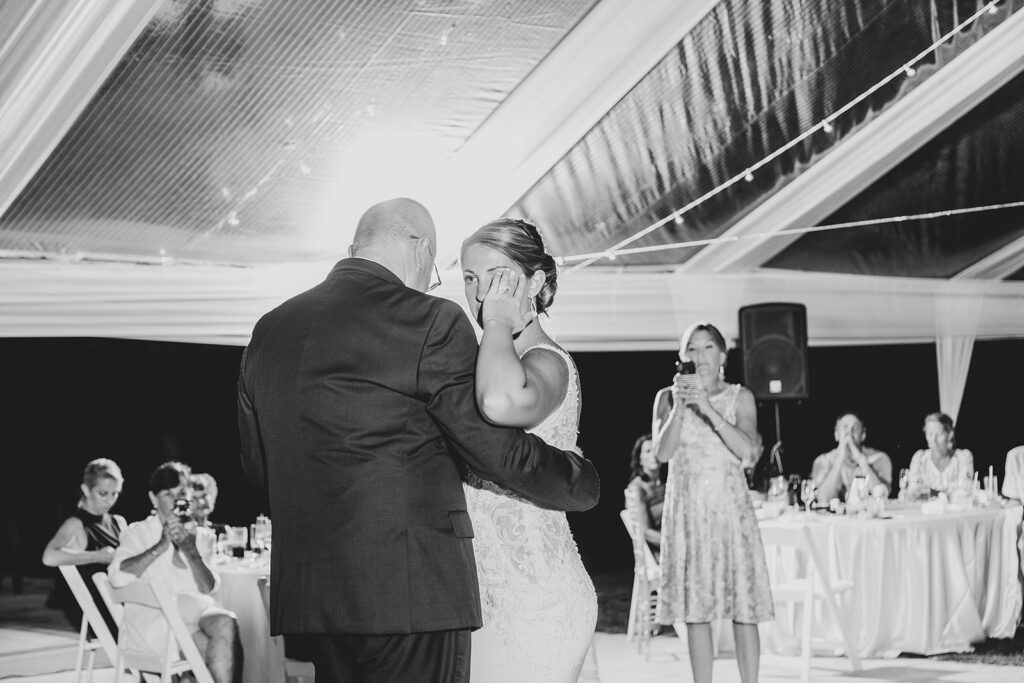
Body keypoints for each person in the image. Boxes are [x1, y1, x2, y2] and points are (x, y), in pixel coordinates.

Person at [237, 198, 599, 683]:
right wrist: (581, 479)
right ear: (423, 249)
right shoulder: (426, 320)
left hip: (315, 597)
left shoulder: (268, 330)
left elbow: (260, 466)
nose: (470, 292)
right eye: (460, 277)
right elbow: (494, 450)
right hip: (414, 592)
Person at [459, 217, 597, 682]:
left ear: (536, 282)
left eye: (499, 278)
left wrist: (497, 320)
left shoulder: (546, 362)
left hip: (538, 604)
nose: (482, 295)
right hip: (486, 602)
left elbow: (501, 401)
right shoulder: (487, 365)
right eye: (471, 279)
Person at [653, 322, 773, 683]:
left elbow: (747, 451)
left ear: (722, 355)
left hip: (729, 510)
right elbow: (662, 453)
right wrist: (680, 407)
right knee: (696, 611)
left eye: (708, 347)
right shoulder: (666, 397)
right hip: (687, 512)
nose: (700, 355)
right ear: (681, 355)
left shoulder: (741, 397)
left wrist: (707, 407)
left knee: (744, 607)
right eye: (692, 348)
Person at [108, 461, 241, 683]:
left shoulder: (201, 536)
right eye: (167, 494)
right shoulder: (138, 533)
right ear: (153, 498)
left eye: (180, 493)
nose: (174, 500)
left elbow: (209, 588)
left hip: (193, 617)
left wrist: (191, 551)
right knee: (211, 649)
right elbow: (117, 576)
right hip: (157, 623)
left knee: (226, 623)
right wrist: (160, 546)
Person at [42, 458, 127, 634]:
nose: (109, 500)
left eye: (115, 493)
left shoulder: (118, 522)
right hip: (102, 612)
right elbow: (48, 557)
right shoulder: (76, 524)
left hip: (124, 601)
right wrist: (96, 556)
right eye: (103, 493)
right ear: (86, 490)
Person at [811, 413, 893, 504]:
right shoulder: (822, 461)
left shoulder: (880, 458)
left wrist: (861, 460)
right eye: (845, 427)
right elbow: (822, 499)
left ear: (863, 435)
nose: (849, 432)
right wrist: (840, 459)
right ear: (836, 434)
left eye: (855, 428)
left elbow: (881, 495)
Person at [907, 412, 974, 496]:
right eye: (930, 434)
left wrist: (930, 492)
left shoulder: (962, 457)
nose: (933, 439)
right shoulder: (920, 458)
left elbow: (965, 491)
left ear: (950, 435)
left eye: (939, 434)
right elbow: (913, 491)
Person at [625, 434, 664, 554]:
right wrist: (674, 544)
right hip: (659, 550)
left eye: (656, 449)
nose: (653, 455)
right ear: (640, 459)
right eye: (647, 451)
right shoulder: (637, 488)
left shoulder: (666, 482)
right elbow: (645, 532)